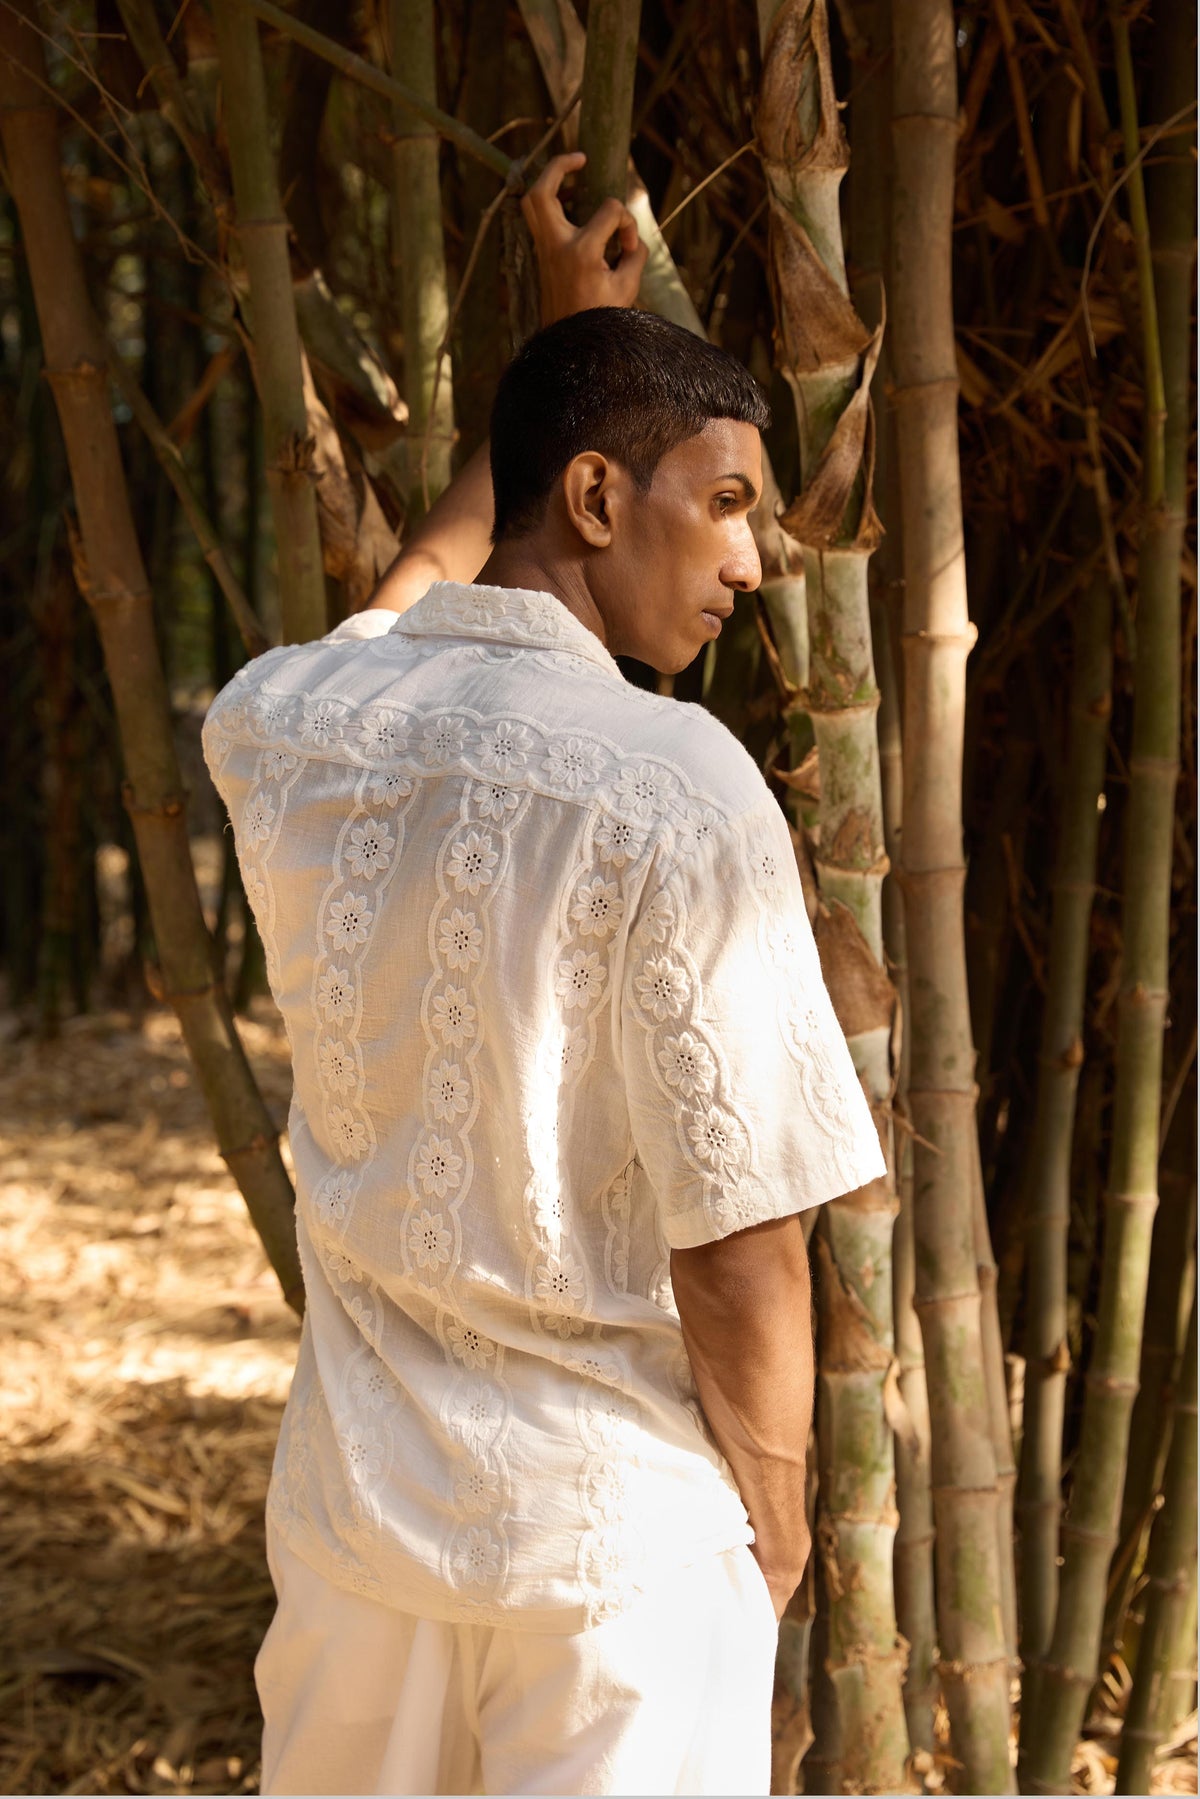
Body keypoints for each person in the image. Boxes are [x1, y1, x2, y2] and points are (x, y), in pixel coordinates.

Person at [203, 154, 885, 1798]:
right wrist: (774, 1528)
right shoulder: (676, 779)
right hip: (609, 1561)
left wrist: (566, 341)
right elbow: (742, 1235)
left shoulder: (283, 725)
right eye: (726, 503)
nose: (756, 563)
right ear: (596, 499)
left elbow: (431, 596)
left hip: (361, 1530)